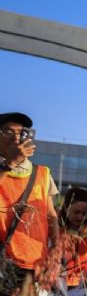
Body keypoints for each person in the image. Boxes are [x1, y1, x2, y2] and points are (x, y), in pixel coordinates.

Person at [0, 112, 59, 285]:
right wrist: (9, 163)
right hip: (4, 261)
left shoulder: (42, 172)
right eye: (8, 132)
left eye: (22, 133)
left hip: (34, 264)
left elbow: (51, 215)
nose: (16, 138)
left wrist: (55, 250)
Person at [57, 187, 87, 296]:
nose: (80, 217)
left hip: (80, 284)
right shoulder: (54, 225)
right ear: (66, 208)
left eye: (84, 213)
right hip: (56, 282)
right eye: (76, 212)